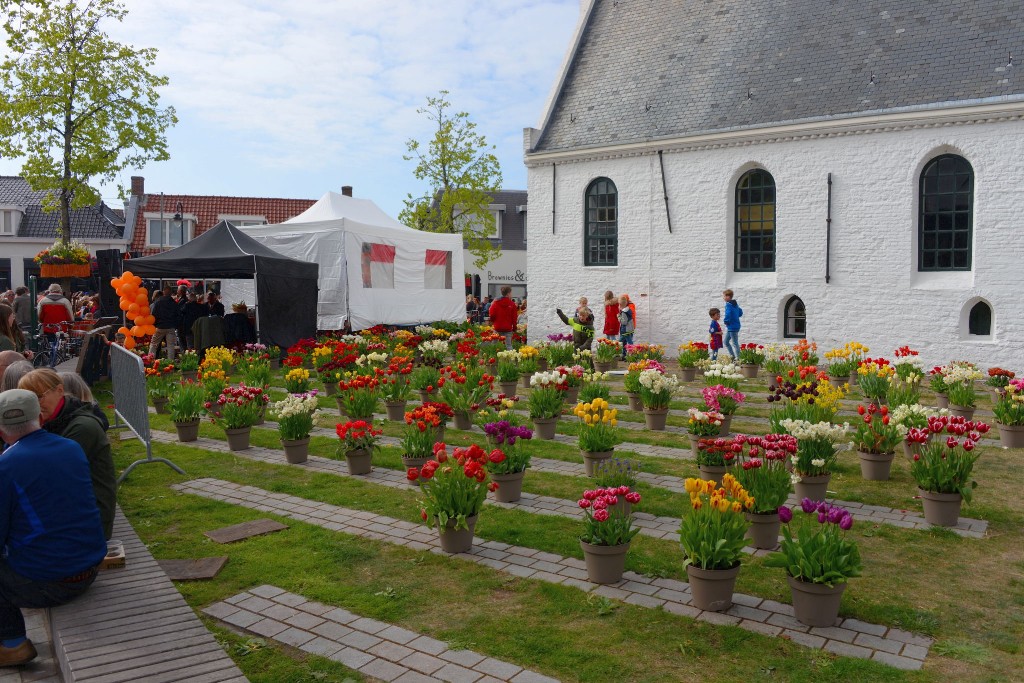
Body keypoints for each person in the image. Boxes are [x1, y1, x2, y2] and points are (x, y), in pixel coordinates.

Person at [0, 390, 107, 665]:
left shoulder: (6, 466)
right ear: (40, 416)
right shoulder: (70, 447)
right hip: (90, 567)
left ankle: (12, 644)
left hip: (50, 582)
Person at [19, 369, 116, 539]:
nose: (35, 404)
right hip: (72, 511)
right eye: (29, 399)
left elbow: (50, 476)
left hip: (89, 520)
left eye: (39, 396)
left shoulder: (82, 427)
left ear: (60, 390)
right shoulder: (55, 420)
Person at [37, 284, 73, 368]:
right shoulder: (65, 301)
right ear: (60, 291)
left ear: (49, 291)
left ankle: (50, 360)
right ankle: (58, 360)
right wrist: (70, 326)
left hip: (48, 328)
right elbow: (70, 318)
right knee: (59, 346)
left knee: (48, 346)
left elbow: (39, 317)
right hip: (61, 328)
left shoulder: (43, 301)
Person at [149, 286, 179, 360]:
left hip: (160, 327)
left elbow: (154, 314)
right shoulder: (174, 303)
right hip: (170, 327)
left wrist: (155, 324)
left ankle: (150, 360)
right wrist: (175, 325)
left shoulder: (158, 302)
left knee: (154, 345)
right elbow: (178, 314)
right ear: (171, 293)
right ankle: (170, 362)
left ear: (163, 292)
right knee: (170, 346)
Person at [488, 286, 519, 350]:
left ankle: (492, 357)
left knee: (494, 345)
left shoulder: (496, 303)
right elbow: (514, 318)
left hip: (497, 327)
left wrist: (493, 321)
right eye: (511, 293)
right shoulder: (512, 304)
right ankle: (510, 359)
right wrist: (514, 328)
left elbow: (492, 314)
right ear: (508, 294)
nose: (511, 295)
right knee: (509, 346)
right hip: (507, 328)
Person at [722, 289, 743, 360]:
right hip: (734, 326)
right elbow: (740, 312)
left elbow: (728, 313)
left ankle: (739, 359)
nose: (723, 298)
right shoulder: (735, 304)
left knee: (735, 343)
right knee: (726, 342)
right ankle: (732, 357)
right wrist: (735, 316)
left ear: (728, 297)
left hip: (732, 326)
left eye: (724, 296)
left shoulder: (728, 305)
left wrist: (726, 321)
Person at [617, 294, 634, 360]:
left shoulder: (624, 312)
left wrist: (619, 317)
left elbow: (624, 322)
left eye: (619, 304)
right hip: (630, 329)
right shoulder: (628, 310)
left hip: (625, 330)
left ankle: (631, 355)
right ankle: (624, 355)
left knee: (625, 342)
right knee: (624, 343)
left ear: (620, 305)